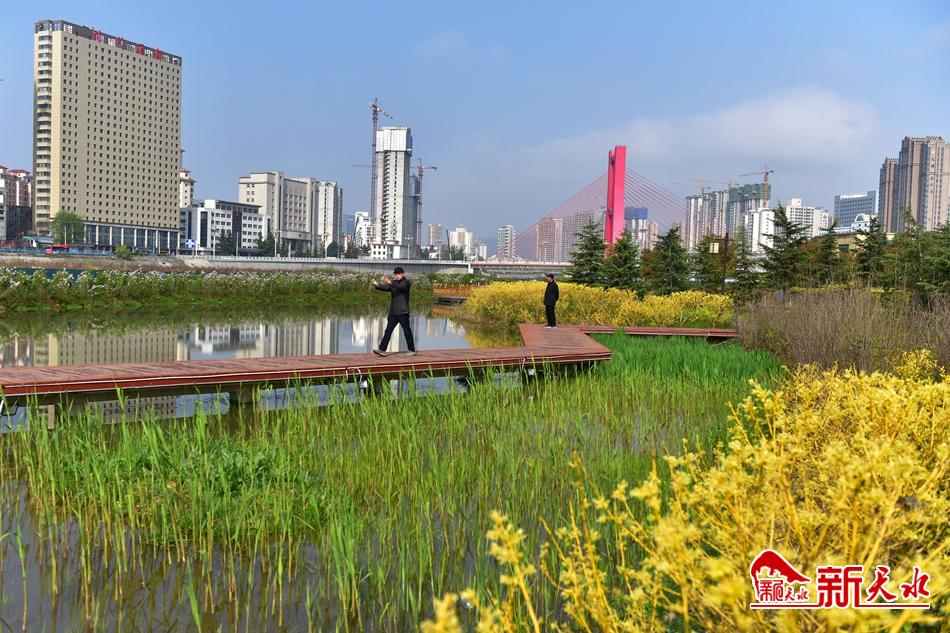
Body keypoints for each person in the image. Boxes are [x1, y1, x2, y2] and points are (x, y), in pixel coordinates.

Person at [371, 266, 416, 356]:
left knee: (407, 331)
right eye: (396, 274)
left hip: (403, 312)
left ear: (402, 274)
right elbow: (386, 288)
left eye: (399, 274)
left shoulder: (406, 282)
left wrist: (389, 282)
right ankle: (382, 350)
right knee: (388, 331)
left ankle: (412, 350)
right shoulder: (394, 283)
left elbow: (401, 287)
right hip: (393, 312)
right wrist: (377, 284)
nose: (397, 275)